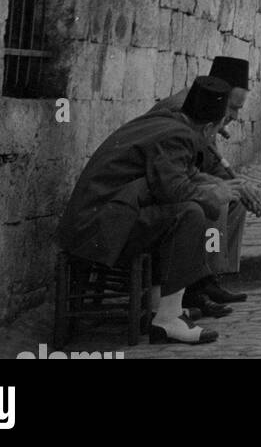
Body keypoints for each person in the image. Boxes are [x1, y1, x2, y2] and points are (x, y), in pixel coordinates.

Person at [58, 76, 243, 346]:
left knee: (174, 213)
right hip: (101, 226)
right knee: (189, 214)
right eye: (216, 130)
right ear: (207, 128)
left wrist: (218, 184)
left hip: (102, 217)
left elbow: (181, 173)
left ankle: (162, 307)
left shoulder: (169, 123)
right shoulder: (177, 135)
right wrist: (213, 193)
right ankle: (168, 319)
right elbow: (172, 190)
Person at [142, 56, 261, 313]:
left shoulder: (210, 109)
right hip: (155, 187)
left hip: (178, 180)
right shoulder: (185, 110)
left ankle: (211, 276)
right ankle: (196, 283)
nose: (234, 116)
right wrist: (221, 186)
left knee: (234, 198)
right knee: (214, 202)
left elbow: (210, 162)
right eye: (233, 107)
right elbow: (181, 170)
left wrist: (239, 185)